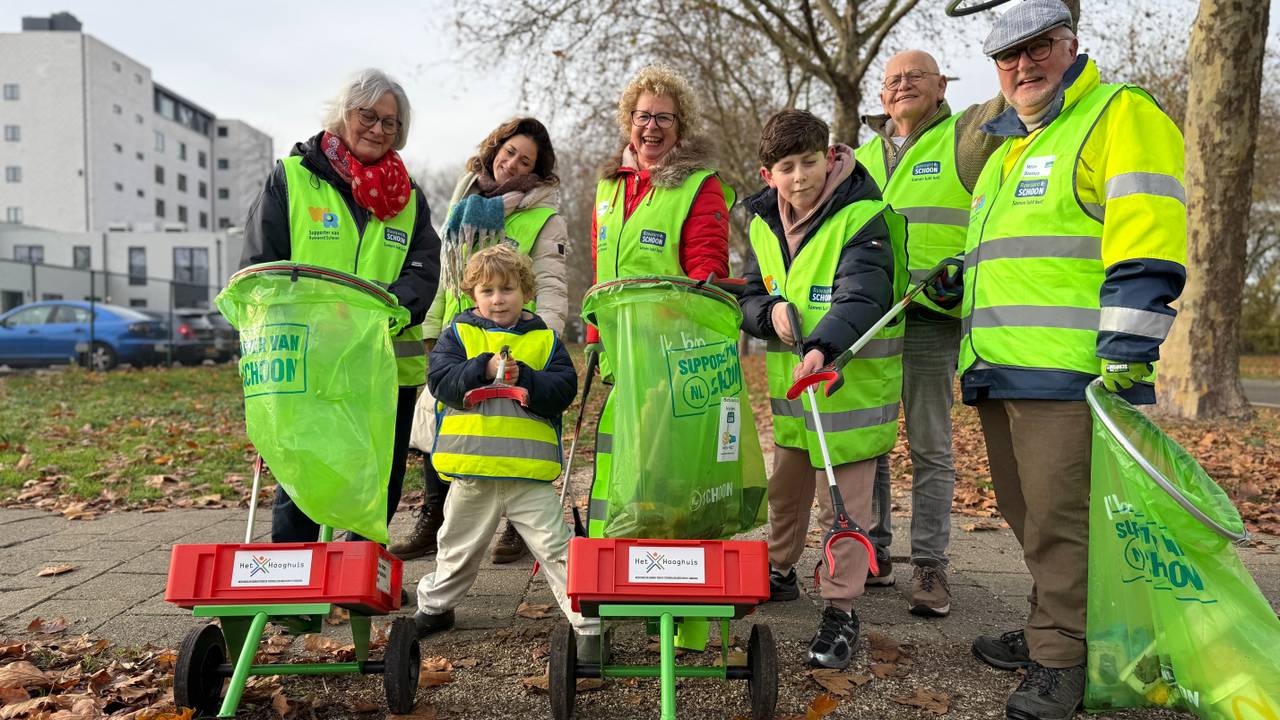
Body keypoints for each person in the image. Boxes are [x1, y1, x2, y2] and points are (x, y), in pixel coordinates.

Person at [954, 2, 1187, 718]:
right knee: (1032, 520)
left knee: (1062, 524)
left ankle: (1062, 660)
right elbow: (1026, 253)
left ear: (1072, 45)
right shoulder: (1008, 149)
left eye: (1039, 48)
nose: (1024, 66)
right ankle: (1050, 626)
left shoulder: (1119, 114)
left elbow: (1146, 235)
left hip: (1073, 374)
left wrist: (1127, 352)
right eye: (1008, 57)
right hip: (1001, 368)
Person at [241, 68, 441, 543]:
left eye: (390, 123)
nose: (377, 128)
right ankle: (295, 589)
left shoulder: (409, 197)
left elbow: (424, 265)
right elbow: (261, 266)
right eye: (367, 115)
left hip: (383, 363)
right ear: (342, 116)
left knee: (380, 480)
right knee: (305, 474)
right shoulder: (291, 180)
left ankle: (356, 584)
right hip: (310, 362)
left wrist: (392, 307)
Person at [739, 109, 906, 669]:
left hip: (846, 385)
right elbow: (749, 294)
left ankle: (842, 609)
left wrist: (823, 347)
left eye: (810, 162)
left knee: (846, 501)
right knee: (787, 487)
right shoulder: (762, 221)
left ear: (829, 156)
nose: (801, 177)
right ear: (769, 176)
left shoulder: (863, 214)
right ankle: (780, 569)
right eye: (787, 168)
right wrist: (769, 315)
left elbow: (864, 295)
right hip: (794, 387)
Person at [855, 50, 1006, 616]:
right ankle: (873, 550)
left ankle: (930, 566)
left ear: (942, 85)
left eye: (915, 77)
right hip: (871, 319)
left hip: (929, 317)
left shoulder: (964, 142)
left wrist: (964, 274)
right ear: (880, 96)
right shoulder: (862, 156)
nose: (902, 87)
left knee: (929, 445)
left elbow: (994, 213)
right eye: (892, 80)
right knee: (867, 440)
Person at [391, 117, 569, 565]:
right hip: (461, 332)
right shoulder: (465, 200)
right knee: (441, 427)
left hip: (517, 336)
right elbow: (447, 275)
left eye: (524, 160)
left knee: (514, 425)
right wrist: (433, 328)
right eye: (508, 152)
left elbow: (550, 282)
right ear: (495, 149)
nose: (512, 163)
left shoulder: (543, 217)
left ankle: (515, 524)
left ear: (536, 169)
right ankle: (434, 518)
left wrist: (541, 340)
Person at [412, 244, 600, 656]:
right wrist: (482, 367)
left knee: (557, 548)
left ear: (526, 292)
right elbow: (440, 380)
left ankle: (588, 623)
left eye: (508, 289)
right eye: (488, 291)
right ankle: (436, 606)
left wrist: (526, 377)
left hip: (527, 477)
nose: (499, 299)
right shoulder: (458, 335)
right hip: (472, 472)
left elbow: (562, 390)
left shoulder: (545, 341)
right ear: (473, 296)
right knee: (457, 546)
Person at [586, 64, 732, 539]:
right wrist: (594, 335)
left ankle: (663, 548)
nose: (652, 126)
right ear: (629, 119)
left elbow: (708, 272)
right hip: (619, 344)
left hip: (672, 348)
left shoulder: (698, 184)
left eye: (664, 118)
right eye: (643, 115)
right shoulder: (609, 187)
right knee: (626, 448)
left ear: (680, 126)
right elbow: (600, 268)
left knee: (663, 454)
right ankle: (620, 542)